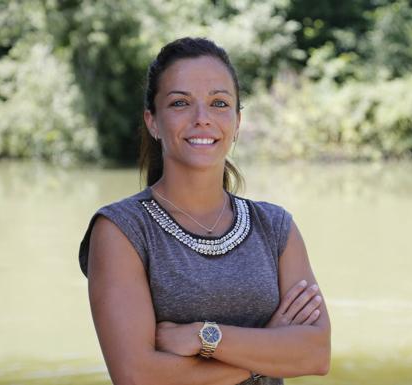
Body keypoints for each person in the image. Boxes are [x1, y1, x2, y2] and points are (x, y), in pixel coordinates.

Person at [78, 37, 331, 385]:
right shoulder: (121, 230)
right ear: (152, 121)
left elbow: (315, 354)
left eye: (219, 103)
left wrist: (203, 336)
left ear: (237, 122)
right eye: (181, 102)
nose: (202, 119)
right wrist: (269, 355)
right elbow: (137, 378)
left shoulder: (275, 227)